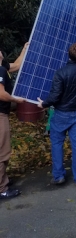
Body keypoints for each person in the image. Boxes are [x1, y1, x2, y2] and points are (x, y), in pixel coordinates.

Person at [37, 42, 76, 187]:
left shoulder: (61, 73)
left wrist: (43, 104)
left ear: (68, 54)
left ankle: (58, 176)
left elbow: (55, 96)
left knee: (57, 143)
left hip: (62, 113)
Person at [0, 43, 28, 199]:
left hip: (2, 114)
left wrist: (24, 49)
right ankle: (2, 189)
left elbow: (17, 65)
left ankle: (3, 181)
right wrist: (15, 99)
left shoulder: (3, 67)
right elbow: (1, 94)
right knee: (2, 153)